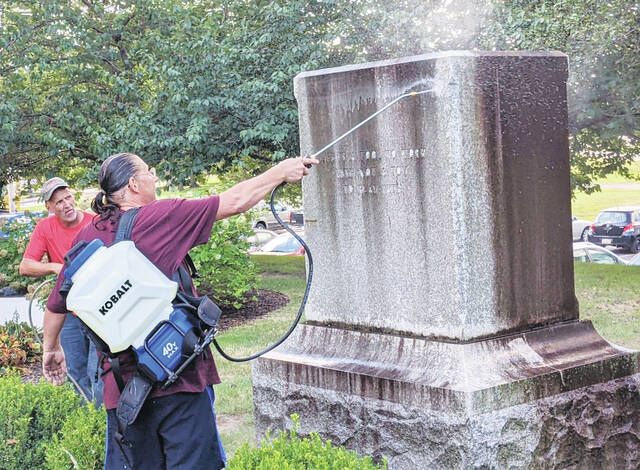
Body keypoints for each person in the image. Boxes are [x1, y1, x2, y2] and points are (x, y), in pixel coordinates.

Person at [41, 152, 318, 469]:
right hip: (179, 378)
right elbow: (236, 200)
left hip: (125, 394)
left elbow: (56, 304)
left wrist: (51, 349)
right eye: (149, 171)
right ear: (134, 183)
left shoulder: (88, 237)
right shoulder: (162, 216)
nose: (154, 178)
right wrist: (282, 171)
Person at [20, 177, 103, 406]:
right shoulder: (45, 228)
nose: (66, 204)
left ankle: (105, 425)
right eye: (58, 202)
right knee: (76, 372)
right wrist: (55, 267)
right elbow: (25, 266)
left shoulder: (94, 222)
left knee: (100, 373)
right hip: (67, 312)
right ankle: (85, 428)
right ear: (49, 207)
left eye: (68, 198)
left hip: (98, 310)